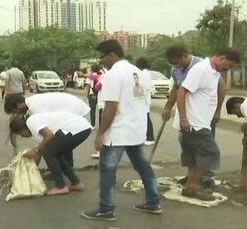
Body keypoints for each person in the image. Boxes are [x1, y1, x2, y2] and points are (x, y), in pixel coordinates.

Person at [82, 40, 162, 222]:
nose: (101, 61)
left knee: (108, 169)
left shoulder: (113, 75)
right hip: (136, 129)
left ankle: (107, 209)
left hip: (118, 132)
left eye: (102, 57)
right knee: (143, 166)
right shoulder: (139, 73)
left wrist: (100, 133)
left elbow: (111, 106)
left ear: (112, 55)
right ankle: (153, 202)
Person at [175, 49, 241, 201]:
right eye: (227, 67)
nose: (227, 70)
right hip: (194, 122)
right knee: (211, 153)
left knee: (194, 155)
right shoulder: (201, 69)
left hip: (201, 121)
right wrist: (184, 118)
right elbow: (181, 91)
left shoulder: (213, 71)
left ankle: (191, 186)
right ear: (222, 57)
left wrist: (216, 111)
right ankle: (193, 187)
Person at [163, 45, 226, 189]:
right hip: (187, 114)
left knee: (206, 148)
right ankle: (193, 177)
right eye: (173, 64)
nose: (176, 66)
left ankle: (207, 177)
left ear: (185, 56)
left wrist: (217, 110)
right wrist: (167, 107)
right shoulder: (176, 70)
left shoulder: (203, 66)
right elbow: (177, 88)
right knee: (190, 147)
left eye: (178, 62)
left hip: (204, 114)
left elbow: (221, 87)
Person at [10, 111, 91, 195]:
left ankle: (61, 187)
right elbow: (39, 152)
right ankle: (76, 183)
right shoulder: (37, 133)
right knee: (56, 154)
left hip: (76, 127)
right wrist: (31, 173)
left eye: (20, 134)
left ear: (22, 128)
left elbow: (49, 135)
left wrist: (35, 150)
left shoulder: (31, 122)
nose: (22, 136)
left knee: (49, 153)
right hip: (82, 128)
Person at [4, 92, 90, 117]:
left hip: (75, 109)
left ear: (18, 105)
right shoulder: (32, 101)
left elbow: (47, 127)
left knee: (51, 151)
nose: (17, 115)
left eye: (15, 112)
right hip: (75, 106)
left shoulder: (34, 107)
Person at [135, 57, 155, 145]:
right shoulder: (146, 73)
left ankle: (150, 137)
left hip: (143, 99)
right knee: (145, 117)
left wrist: (137, 95)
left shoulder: (142, 73)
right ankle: (147, 136)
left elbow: (140, 87)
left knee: (146, 118)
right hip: (144, 98)